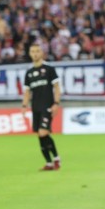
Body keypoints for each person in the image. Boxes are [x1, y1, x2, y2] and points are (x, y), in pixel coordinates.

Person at [21, 43, 62, 171]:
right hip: (36, 107)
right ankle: (49, 163)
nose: (35, 54)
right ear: (30, 54)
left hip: (47, 106)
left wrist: (56, 103)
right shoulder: (29, 73)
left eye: (37, 51)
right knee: (40, 135)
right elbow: (27, 92)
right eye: (32, 51)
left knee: (43, 132)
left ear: (42, 53)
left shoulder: (49, 69)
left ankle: (56, 158)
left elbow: (56, 87)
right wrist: (24, 105)